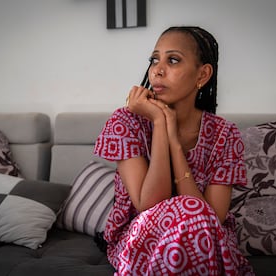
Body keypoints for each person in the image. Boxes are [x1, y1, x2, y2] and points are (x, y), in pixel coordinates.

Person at [94, 26, 254, 275]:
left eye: (173, 60)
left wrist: (175, 145)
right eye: (154, 60)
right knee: (192, 210)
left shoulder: (225, 134)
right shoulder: (126, 122)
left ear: (203, 74)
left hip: (205, 242)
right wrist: (159, 124)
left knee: (194, 212)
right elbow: (148, 204)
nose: (158, 70)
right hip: (142, 238)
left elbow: (212, 221)